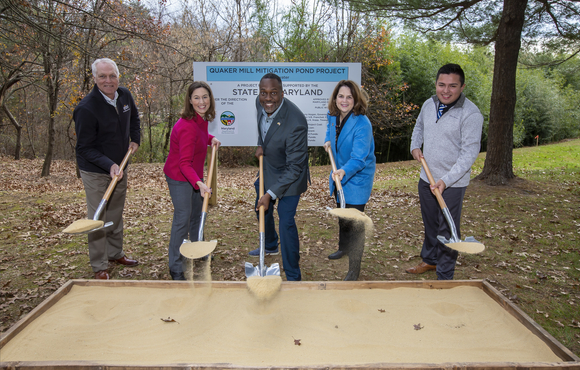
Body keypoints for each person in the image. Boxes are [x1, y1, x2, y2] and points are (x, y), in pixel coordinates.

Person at [406, 63, 483, 280]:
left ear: (462, 87)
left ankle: (445, 275)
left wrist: (446, 181)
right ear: (436, 84)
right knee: (430, 223)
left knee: (447, 229)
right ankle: (430, 260)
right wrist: (415, 145)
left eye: (452, 86)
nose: (446, 90)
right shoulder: (429, 104)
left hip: (452, 183)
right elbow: (419, 126)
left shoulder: (470, 114)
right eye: (441, 85)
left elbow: (469, 154)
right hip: (426, 176)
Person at [73, 58, 141, 280]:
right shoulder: (86, 108)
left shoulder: (124, 96)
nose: (108, 80)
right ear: (94, 78)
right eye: (102, 76)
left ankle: (115, 253)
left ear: (118, 76)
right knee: (98, 216)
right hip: (96, 171)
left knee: (115, 213)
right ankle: (99, 265)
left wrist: (135, 140)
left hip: (120, 167)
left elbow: (134, 121)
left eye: (112, 75)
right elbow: (84, 148)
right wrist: (109, 165)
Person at [248, 73, 309, 281]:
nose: (268, 98)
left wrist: (271, 193)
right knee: (261, 207)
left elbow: (294, 167)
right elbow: (263, 126)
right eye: (264, 93)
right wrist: (260, 144)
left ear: (282, 93)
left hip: (291, 176)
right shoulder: (260, 103)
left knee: (286, 221)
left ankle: (293, 274)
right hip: (269, 166)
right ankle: (271, 245)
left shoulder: (296, 122)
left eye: (273, 93)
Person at [163, 81, 221, 281]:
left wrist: (210, 138)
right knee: (183, 218)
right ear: (189, 100)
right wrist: (200, 183)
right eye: (196, 97)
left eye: (205, 96)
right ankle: (176, 266)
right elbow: (183, 163)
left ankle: (198, 249)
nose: (201, 101)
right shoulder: (187, 126)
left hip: (194, 176)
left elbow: (199, 136)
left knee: (197, 215)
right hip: (180, 177)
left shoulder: (200, 120)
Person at [323, 80, 376, 264]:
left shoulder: (362, 123)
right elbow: (330, 133)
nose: (344, 101)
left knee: (355, 225)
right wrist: (327, 141)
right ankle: (343, 248)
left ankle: (354, 267)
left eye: (349, 97)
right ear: (335, 98)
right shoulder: (333, 116)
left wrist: (344, 171)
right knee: (342, 213)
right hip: (340, 174)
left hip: (356, 176)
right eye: (341, 96)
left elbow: (359, 158)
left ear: (356, 99)